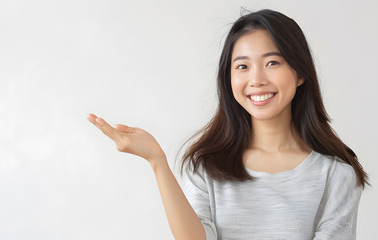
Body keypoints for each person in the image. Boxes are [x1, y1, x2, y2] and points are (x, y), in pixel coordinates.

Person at [87, 9, 370, 240]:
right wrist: (157, 161)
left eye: (272, 63)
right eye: (243, 66)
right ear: (229, 79)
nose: (256, 79)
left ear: (299, 73)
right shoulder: (207, 165)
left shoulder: (336, 175)